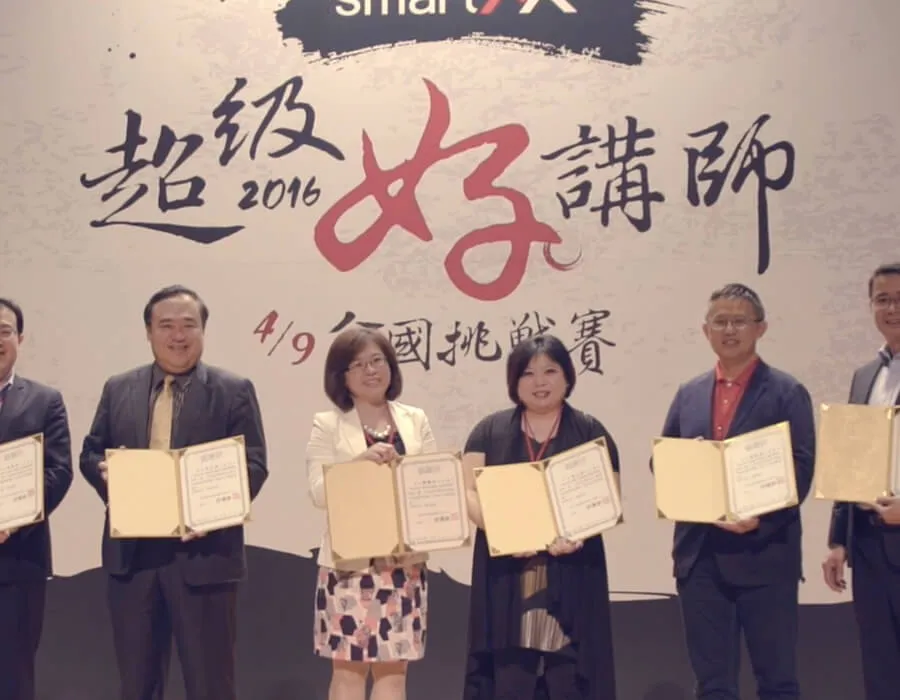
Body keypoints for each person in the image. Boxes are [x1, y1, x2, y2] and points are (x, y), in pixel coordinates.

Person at [79, 285, 269, 700]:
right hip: (133, 558)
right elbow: (91, 452)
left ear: (203, 330)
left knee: (210, 683)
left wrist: (214, 513)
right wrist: (106, 474)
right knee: (137, 683)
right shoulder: (119, 387)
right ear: (149, 332)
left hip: (204, 556)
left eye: (188, 325)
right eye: (166, 325)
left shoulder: (233, 389)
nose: (178, 336)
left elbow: (253, 464)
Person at [657, 283, 815, 700]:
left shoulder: (786, 392)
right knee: (713, 685)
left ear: (761, 328)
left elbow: (801, 469)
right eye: (720, 321)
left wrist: (759, 518)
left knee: (777, 682)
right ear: (705, 330)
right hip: (700, 557)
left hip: (766, 555)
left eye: (740, 321)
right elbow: (662, 460)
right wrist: (687, 462)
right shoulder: (689, 393)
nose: (729, 330)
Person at [461, 333, 620, 700]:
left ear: (567, 376)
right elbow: (468, 492)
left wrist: (579, 533)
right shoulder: (488, 431)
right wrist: (503, 531)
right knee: (509, 679)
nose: (540, 382)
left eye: (550, 371)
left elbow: (609, 497)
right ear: (514, 381)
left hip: (573, 570)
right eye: (528, 373)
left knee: (570, 679)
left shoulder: (591, 431)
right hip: (507, 575)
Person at [306, 326, 437, 700]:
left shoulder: (415, 420)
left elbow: (433, 483)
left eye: (377, 360)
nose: (370, 370)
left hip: (403, 564)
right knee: (348, 673)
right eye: (358, 364)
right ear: (342, 376)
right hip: (350, 567)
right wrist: (358, 464)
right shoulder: (327, 424)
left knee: (394, 674)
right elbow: (318, 493)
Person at [822, 263, 900, 700]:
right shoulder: (865, 376)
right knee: (879, 666)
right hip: (869, 546)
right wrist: (839, 541)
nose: (892, 309)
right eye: (883, 299)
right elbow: (850, 461)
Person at [0, 298, 73, 700]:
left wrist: (14, 520)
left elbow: (58, 471)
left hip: (18, 561)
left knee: (14, 675)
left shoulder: (45, 400)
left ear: (20, 338)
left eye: (4, 331)